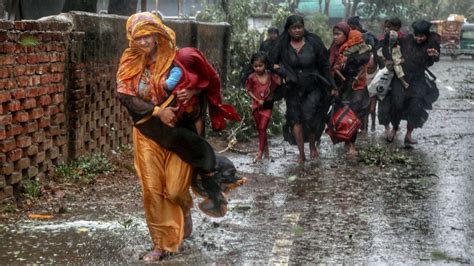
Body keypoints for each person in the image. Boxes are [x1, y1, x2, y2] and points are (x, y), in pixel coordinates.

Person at [116, 12, 244, 261]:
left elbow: (200, 90)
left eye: (148, 36)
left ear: (157, 35)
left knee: (174, 191)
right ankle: (161, 244)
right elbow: (124, 96)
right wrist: (157, 111)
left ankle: (184, 210)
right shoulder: (129, 61)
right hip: (147, 132)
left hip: (178, 135)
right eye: (138, 37)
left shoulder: (176, 61)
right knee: (152, 190)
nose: (143, 42)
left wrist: (193, 92)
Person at [270, 14, 336, 163]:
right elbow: (271, 62)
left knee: (310, 118)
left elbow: (325, 65)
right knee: (295, 119)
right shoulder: (282, 45)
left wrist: (332, 85)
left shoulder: (314, 43)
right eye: (294, 28)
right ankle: (301, 154)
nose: (297, 30)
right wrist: (283, 72)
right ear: (288, 30)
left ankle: (312, 145)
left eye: (300, 27)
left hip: (313, 85)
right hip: (292, 88)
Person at [387, 19, 440, 145]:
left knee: (416, 106)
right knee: (397, 103)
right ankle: (394, 128)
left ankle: (409, 134)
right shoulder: (406, 40)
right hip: (401, 77)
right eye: (416, 35)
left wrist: (433, 55)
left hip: (418, 79)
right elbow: (392, 50)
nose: (418, 38)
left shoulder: (432, 43)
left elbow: (436, 59)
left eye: (421, 36)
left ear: (426, 35)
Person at [329, 22, 371, 156]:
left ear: (346, 34)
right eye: (334, 34)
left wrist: (350, 59)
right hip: (340, 86)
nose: (335, 37)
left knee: (354, 113)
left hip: (356, 84)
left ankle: (352, 143)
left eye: (338, 34)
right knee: (340, 114)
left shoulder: (356, 44)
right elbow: (328, 65)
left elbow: (366, 57)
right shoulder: (333, 49)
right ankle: (343, 137)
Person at [245, 52, 281, 161]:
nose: (258, 68)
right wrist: (256, 99)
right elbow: (248, 90)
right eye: (255, 66)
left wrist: (279, 70)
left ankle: (260, 153)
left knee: (262, 127)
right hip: (256, 106)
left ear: (265, 65)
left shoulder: (270, 75)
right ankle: (266, 151)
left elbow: (279, 83)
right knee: (261, 129)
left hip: (267, 105)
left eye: (260, 66)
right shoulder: (251, 77)